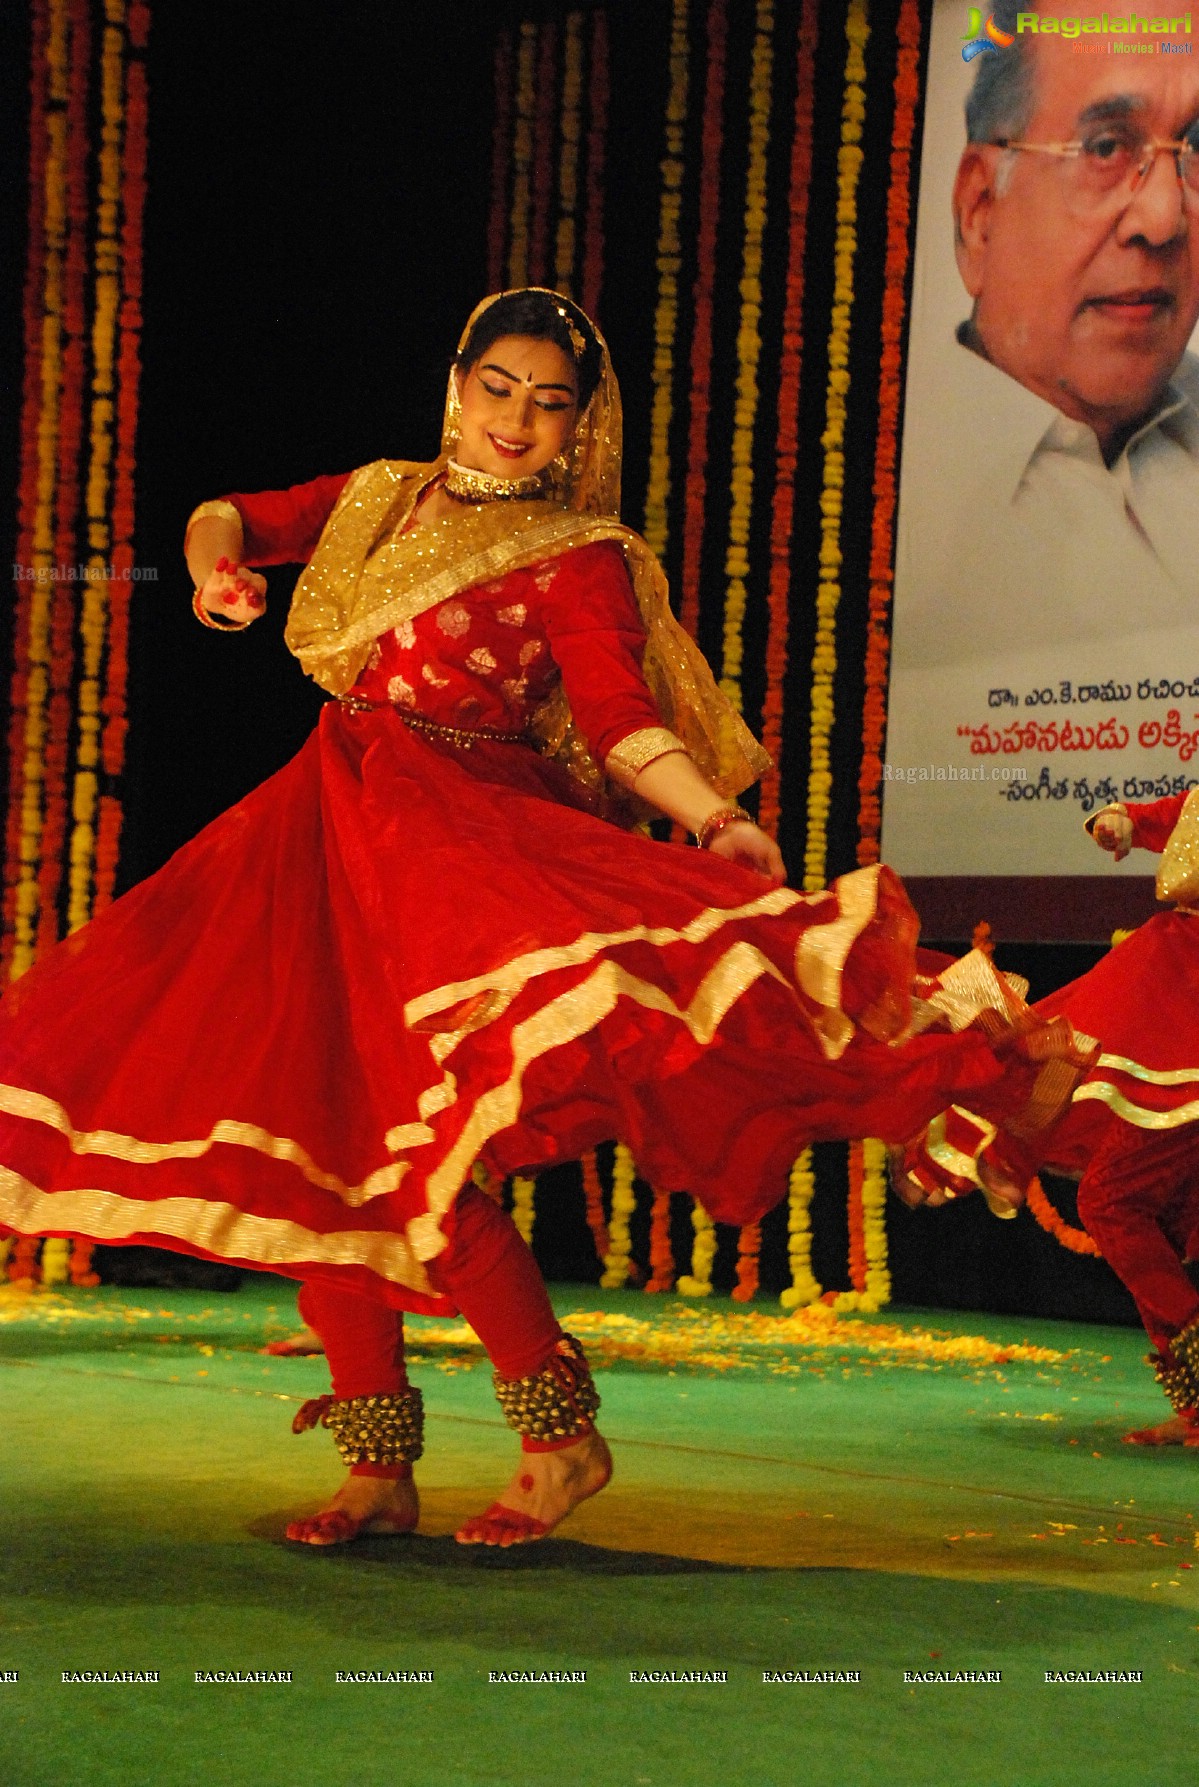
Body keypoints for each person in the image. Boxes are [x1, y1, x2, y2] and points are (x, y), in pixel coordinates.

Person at [0, 289, 1092, 1546]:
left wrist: (707, 814)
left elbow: (623, 721)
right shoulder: (377, 497)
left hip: (456, 855)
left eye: (550, 401)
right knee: (314, 1139)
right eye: (499, 388)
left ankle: (559, 1437)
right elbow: (227, 515)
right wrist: (217, 571)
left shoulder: (577, 556)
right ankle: (377, 1464)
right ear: (457, 382)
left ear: (580, 424)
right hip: (317, 839)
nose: (517, 419)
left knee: (431, 1160)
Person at [883, 0, 1199, 882]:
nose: (1163, 219)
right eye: (1105, 149)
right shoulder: (898, 518)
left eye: (1195, 149)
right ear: (980, 209)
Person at [1035, 790, 1199, 1446]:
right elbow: (1160, 814)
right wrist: (1121, 822)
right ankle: (1195, 1405)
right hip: (1173, 984)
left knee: (1112, 1199)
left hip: (1184, 1007)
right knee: (1160, 1211)